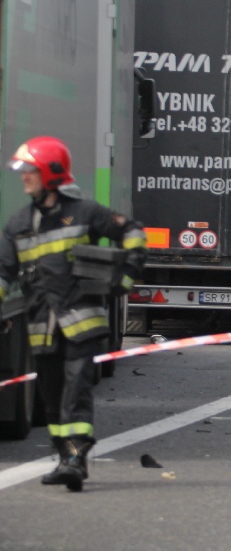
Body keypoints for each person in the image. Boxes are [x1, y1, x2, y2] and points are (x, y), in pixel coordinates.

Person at [0, 136, 147, 491]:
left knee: (75, 391)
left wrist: (124, 278)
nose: (24, 178)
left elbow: (133, 233)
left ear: (51, 172)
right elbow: (4, 272)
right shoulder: (18, 223)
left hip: (83, 324)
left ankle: (74, 460)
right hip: (41, 327)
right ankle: (63, 455)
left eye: (30, 171)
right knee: (50, 397)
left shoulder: (85, 212)